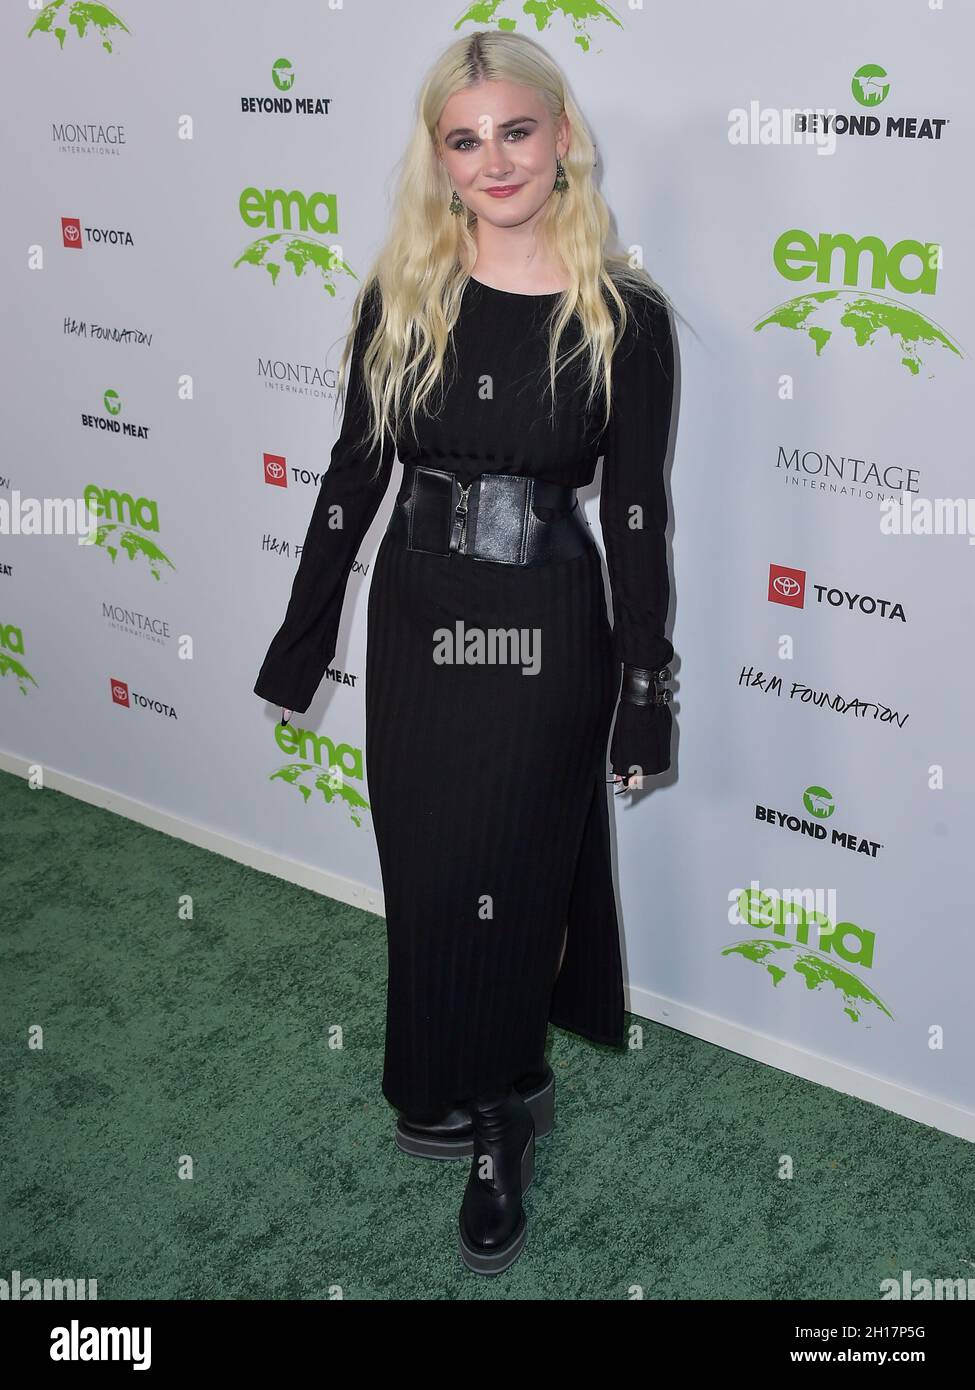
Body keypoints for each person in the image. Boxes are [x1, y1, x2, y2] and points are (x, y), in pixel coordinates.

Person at [253, 28, 678, 1276]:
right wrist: (304, 630)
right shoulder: (404, 293)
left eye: (516, 130)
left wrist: (646, 689)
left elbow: (641, 511)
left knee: (516, 869)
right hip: (419, 619)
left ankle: (505, 1115)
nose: (495, 161)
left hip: (548, 630)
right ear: (438, 159)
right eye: (464, 138)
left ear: (561, 135)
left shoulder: (625, 317)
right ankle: (439, 1074)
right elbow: (353, 478)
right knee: (435, 870)